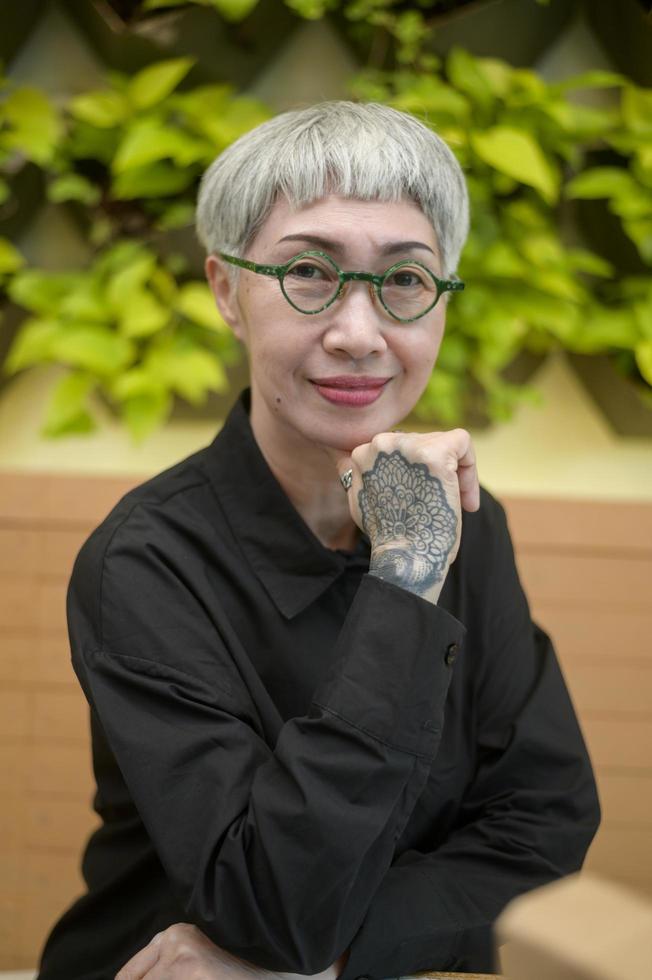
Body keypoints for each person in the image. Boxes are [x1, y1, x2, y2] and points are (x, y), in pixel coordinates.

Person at [36, 101, 600, 980]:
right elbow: (269, 906)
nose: (358, 333)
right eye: (308, 271)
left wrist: (335, 963)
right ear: (228, 291)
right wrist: (406, 580)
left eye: (405, 281)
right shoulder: (145, 562)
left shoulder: (461, 524)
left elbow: (544, 826)